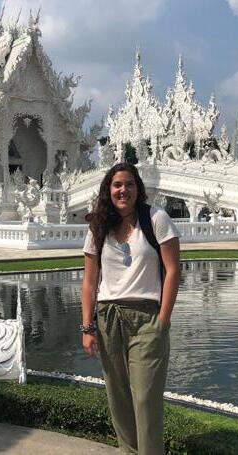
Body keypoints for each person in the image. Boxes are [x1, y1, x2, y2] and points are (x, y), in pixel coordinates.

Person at [81, 162, 180, 455]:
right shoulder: (99, 227)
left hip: (147, 317)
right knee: (119, 398)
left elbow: (173, 270)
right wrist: (87, 327)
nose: (123, 190)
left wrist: (163, 320)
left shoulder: (156, 219)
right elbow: (89, 282)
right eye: (117, 185)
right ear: (108, 190)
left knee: (146, 399)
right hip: (108, 317)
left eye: (129, 184)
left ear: (138, 188)